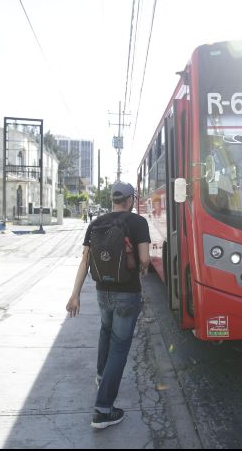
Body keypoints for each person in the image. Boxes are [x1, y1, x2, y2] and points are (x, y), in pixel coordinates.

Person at [66, 181, 151, 429]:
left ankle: (101, 376)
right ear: (131, 200)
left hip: (102, 292)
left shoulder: (96, 223)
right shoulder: (138, 222)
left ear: (113, 200)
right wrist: (141, 265)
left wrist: (75, 295)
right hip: (127, 293)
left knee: (106, 331)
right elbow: (145, 259)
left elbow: (85, 261)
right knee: (120, 348)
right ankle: (103, 410)